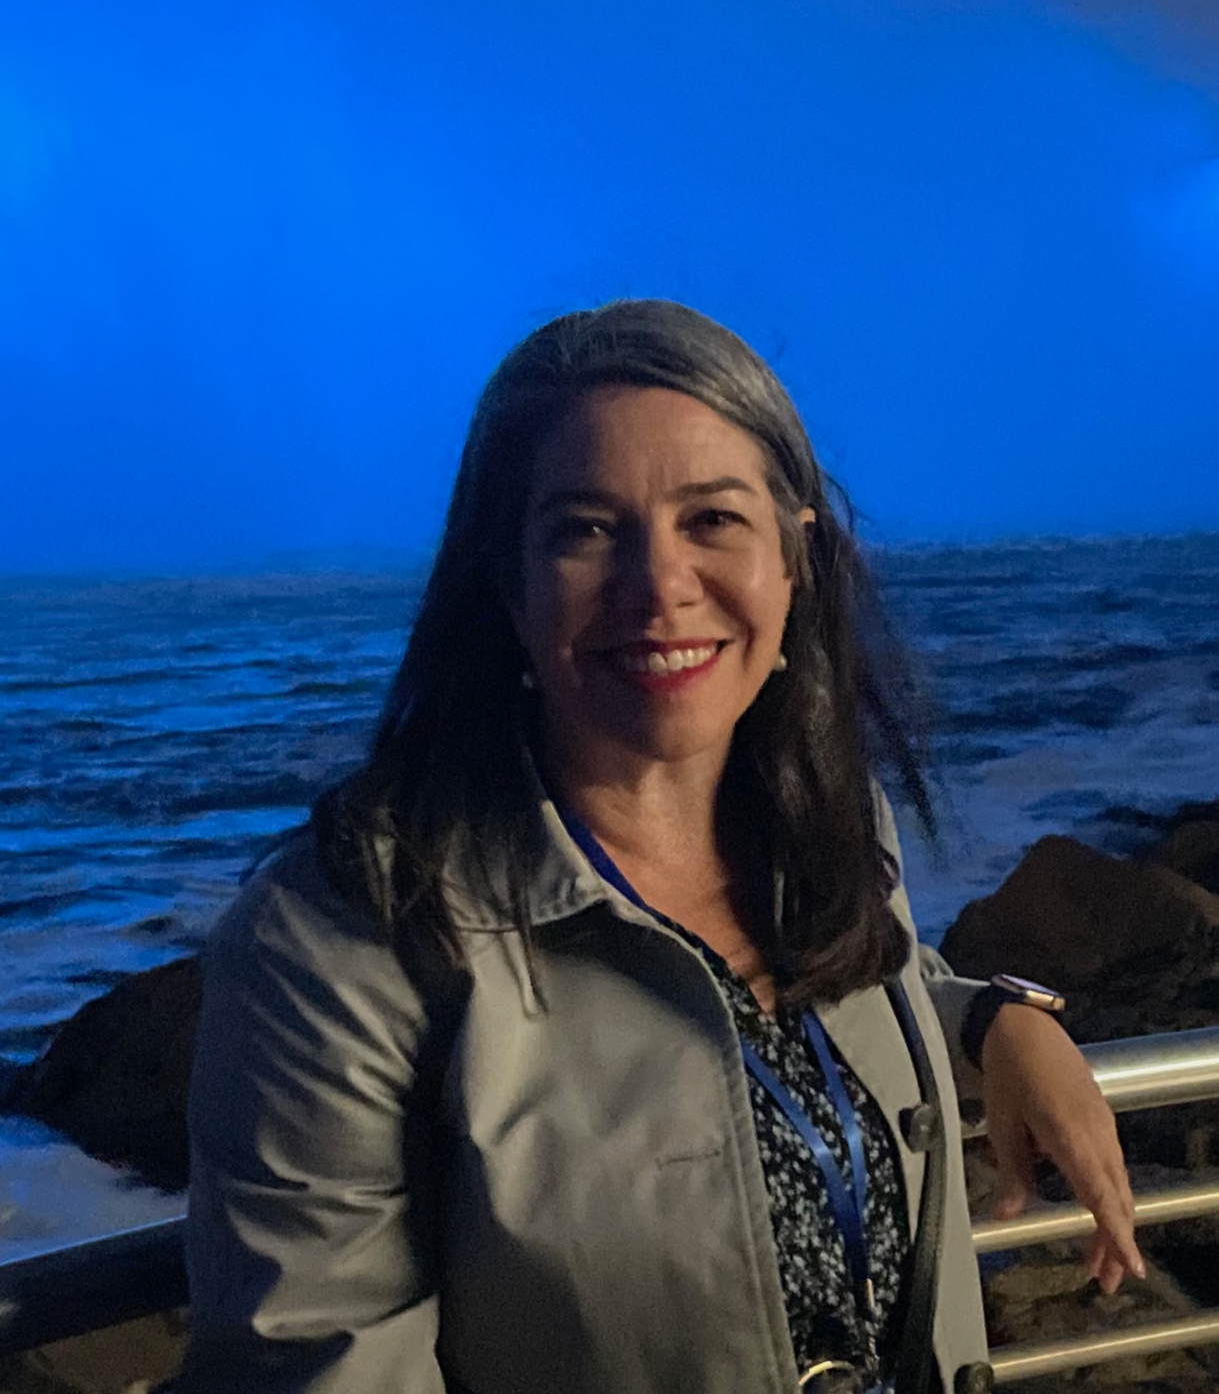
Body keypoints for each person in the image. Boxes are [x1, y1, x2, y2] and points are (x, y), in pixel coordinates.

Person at [177, 299, 1140, 1394]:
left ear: (794, 557)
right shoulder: (346, 939)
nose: (659, 584)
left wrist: (994, 1019)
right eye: (586, 530)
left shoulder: (824, 825)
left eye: (712, 518)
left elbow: (834, 999)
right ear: (506, 585)